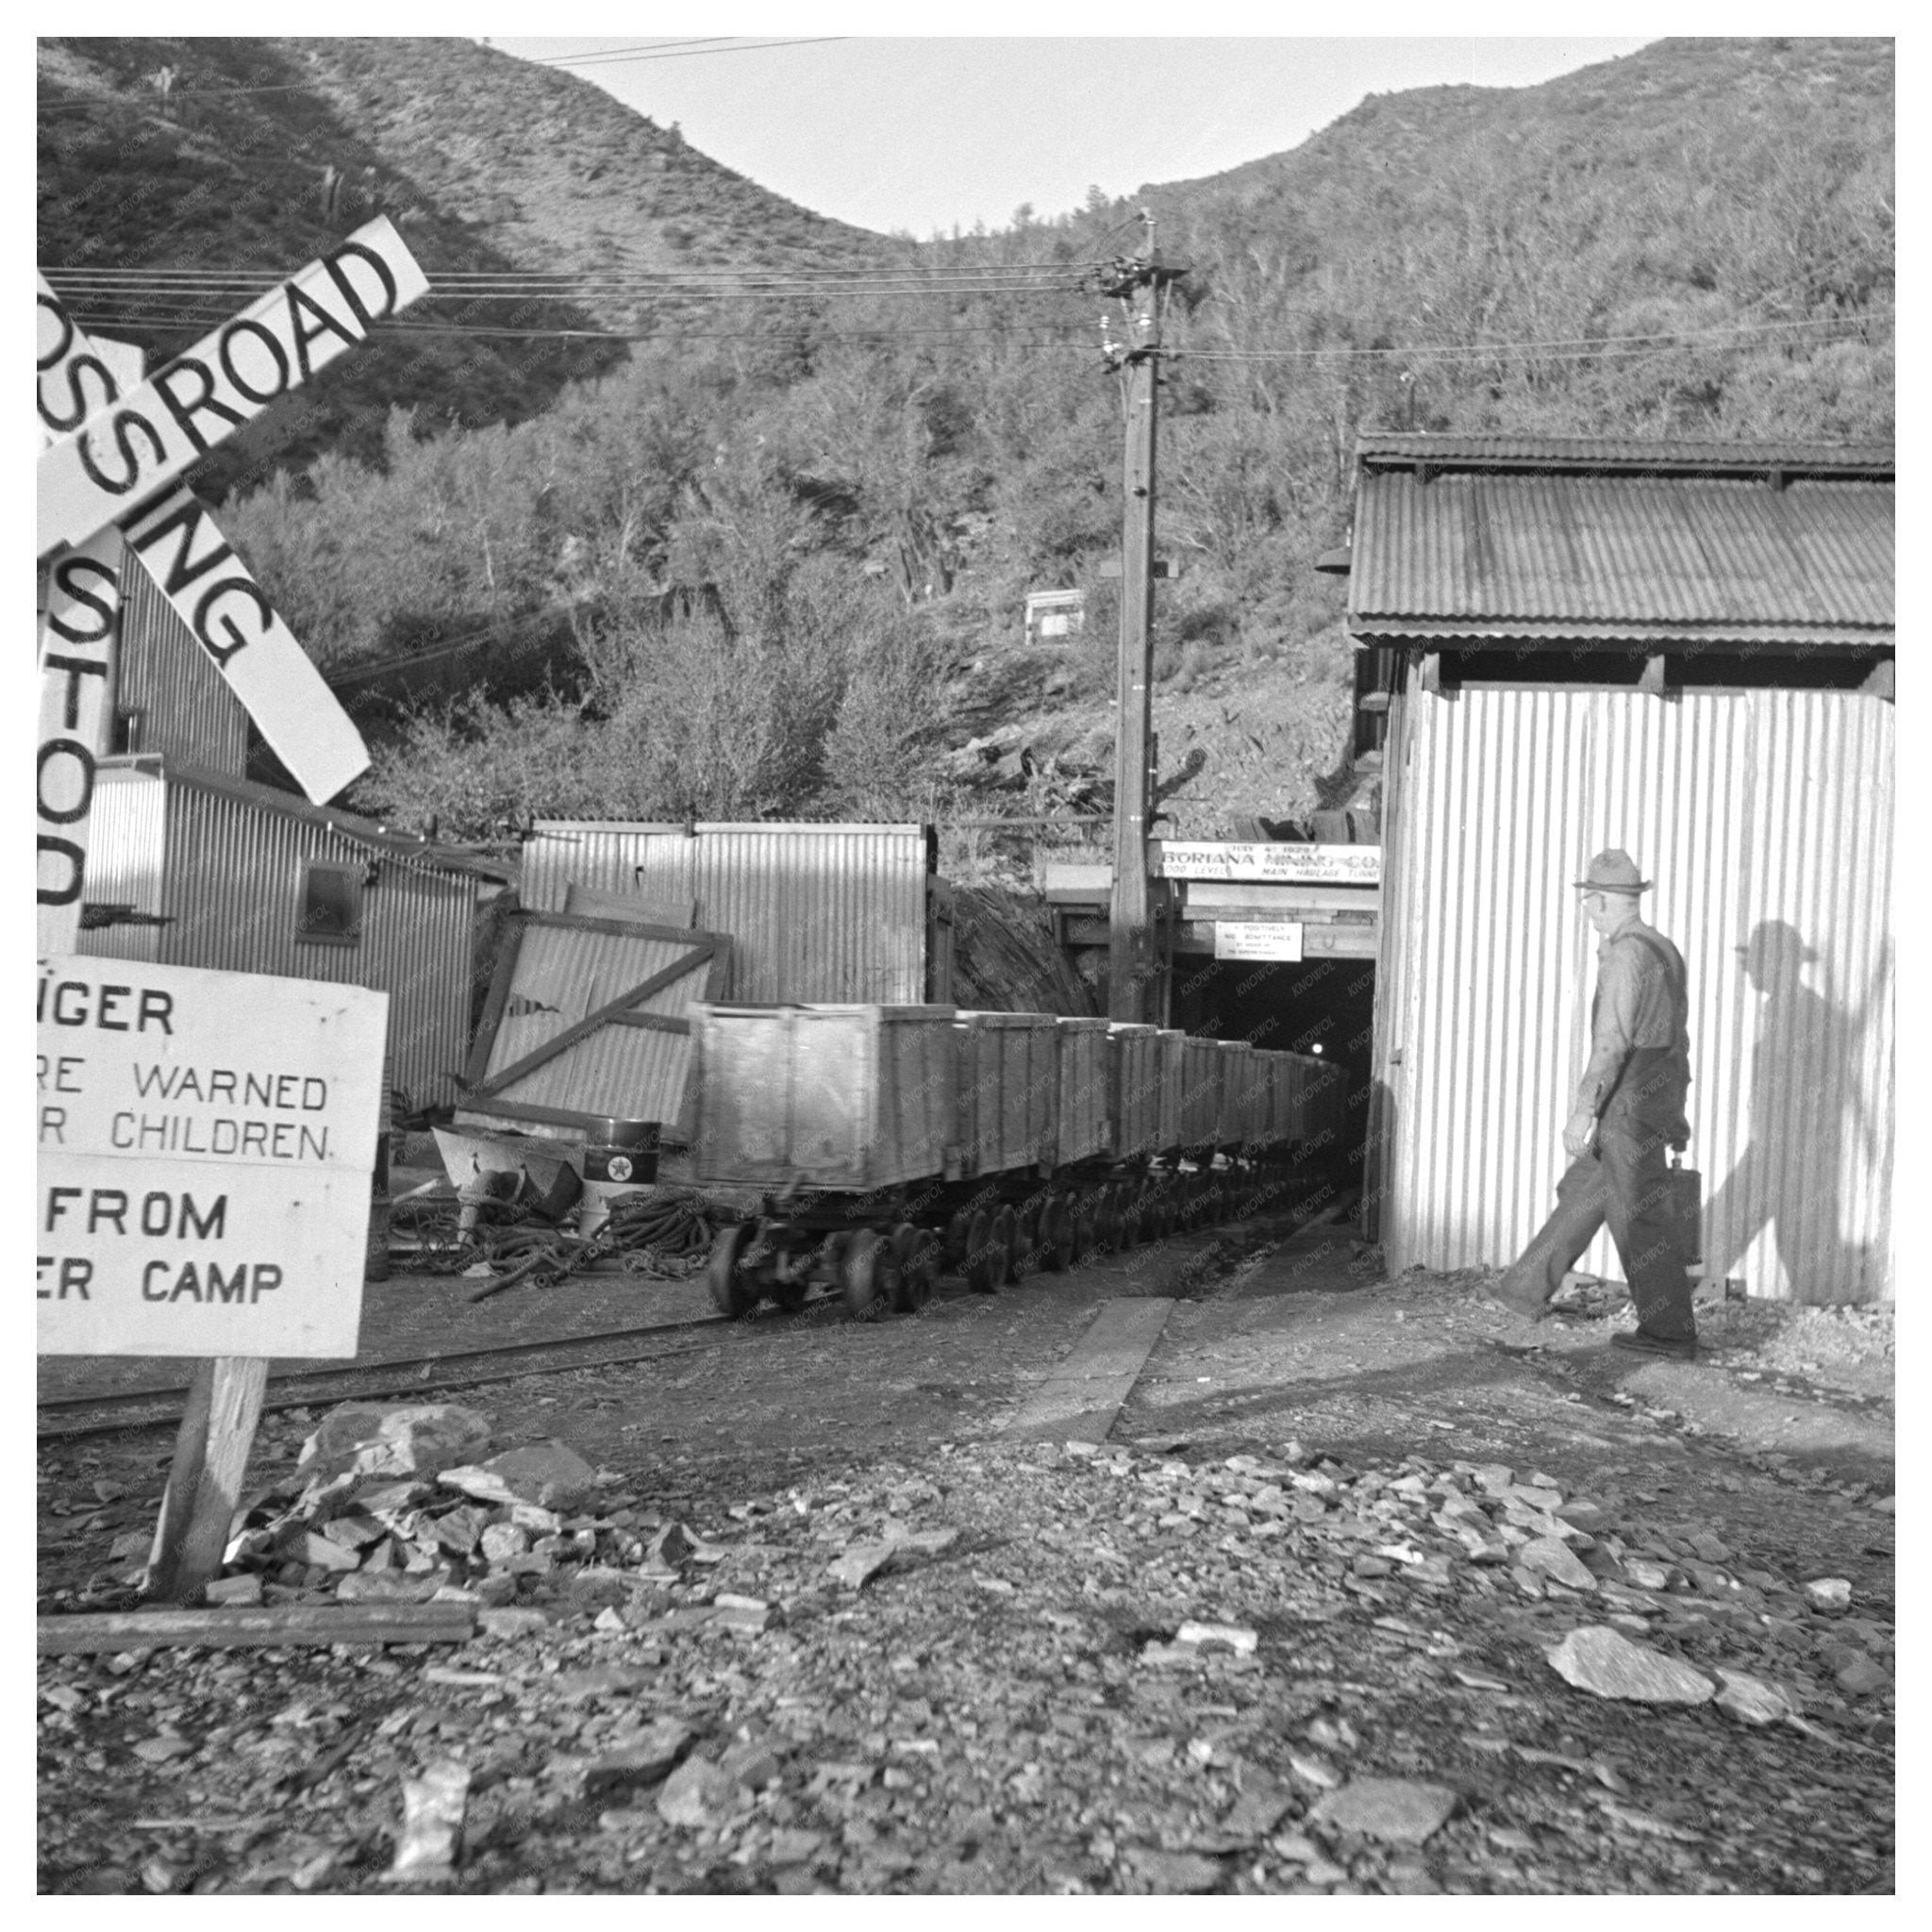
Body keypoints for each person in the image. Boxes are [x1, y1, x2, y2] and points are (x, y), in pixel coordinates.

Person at [1490, 850, 1698, 1357]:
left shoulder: (1625, 956)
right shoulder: (1664, 949)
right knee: (1583, 1190)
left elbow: (1611, 1045)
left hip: (1628, 1101)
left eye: (1589, 901)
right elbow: (1677, 1039)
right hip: (1654, 1095)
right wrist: (1673, 1111)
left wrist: (1583, 1112)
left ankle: (1669, 1334)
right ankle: (1521, 1291)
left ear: (1603, 901)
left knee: (1640, 1216)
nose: (1586, 911)